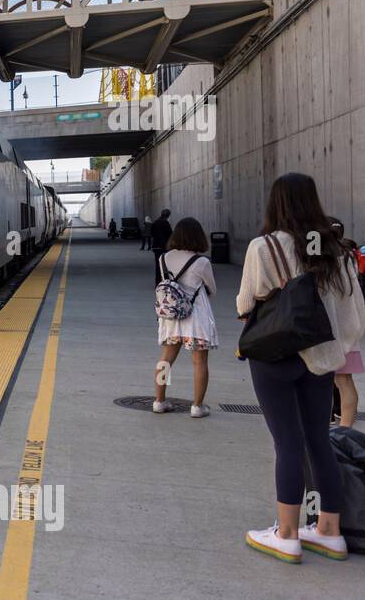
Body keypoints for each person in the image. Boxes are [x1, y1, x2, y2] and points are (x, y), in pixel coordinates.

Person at [238, 173, 365, 563]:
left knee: (286, 443)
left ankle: (288, 534)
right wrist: (336, 348)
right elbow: (353, 310)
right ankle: (329, 531)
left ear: (277, 204)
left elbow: (245, 304)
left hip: (276, 356)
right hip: (321, 360)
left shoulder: (264, 248)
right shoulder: (338, 250)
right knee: (318, 440)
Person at [153, 218, 217, 418]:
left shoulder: (163, 258)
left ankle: (159, 401)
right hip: (195, 319)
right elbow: (212, 290)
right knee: (199, 362)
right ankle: (197, 406)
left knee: (165, 360)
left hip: (171, 317)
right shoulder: (202, 262)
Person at [328, 216, 362, 428]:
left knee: (323, 383)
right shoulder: (348, 258)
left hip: (327, 330)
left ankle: (327, 426)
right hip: (347, 328)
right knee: (345, 381)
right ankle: (345, 429)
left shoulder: (322, 260)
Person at [149, 209, 173, 285]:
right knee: (165, 265)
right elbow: (170, 234)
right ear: (168, 215)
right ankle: (165, 281)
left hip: (156, 246)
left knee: (158, 265)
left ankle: (158, 282)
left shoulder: (155, 222)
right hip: (164, 247)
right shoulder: (165, 223)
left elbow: (151, 233)